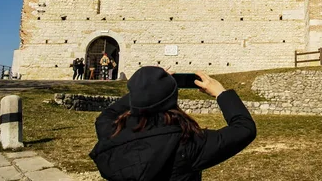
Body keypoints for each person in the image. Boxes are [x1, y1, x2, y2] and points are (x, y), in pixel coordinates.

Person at [89, 67, 256, 181]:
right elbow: (244, 128)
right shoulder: (188, 143)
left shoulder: (111, 132)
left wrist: (146, 89)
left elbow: (107, 115)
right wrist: (221, 93)